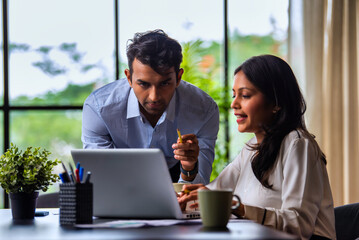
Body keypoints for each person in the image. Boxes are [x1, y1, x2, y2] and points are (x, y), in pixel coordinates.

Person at [178, 55, 336, 240]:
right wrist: (188, 172)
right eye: (234, 95)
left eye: (245, 95)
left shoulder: (298, 145)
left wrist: (235, 206)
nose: (234, 104)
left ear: (276, 102)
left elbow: (298, 226)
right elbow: (212, 196)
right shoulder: (251, 149)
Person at [81, 29, 219, 184]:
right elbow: (101, 178)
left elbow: (198, 185)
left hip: (177, 177)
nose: (154, 97)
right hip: (121, 178)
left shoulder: (204, 110)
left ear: (179, 77)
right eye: (143, 84)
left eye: (164, 83)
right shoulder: (99, 108)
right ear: (129, 77)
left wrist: (189, 167)